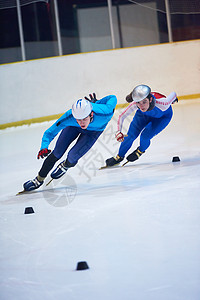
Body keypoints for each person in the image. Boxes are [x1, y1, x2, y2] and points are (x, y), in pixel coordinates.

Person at [23, 93, 117, 191]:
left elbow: (112, 97)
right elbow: (50, 132)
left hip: (93, 132)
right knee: (57, 153)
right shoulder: (70, 116)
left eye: (84, 119)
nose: (82, 123)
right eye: (78, 120)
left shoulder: (105, 113)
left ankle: (66, 165)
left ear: (91, 114)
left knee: (72, 156)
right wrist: (44, 147)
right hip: (73, 127)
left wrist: (97, 103)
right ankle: (38, 180)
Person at [105, 84, 178, 167]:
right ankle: (119, 157)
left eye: (144, 102)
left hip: (161, 118)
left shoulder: (163, 103)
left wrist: (173, 99)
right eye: (138, 103)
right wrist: (119, 131)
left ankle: (140, 151)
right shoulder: (135, 105)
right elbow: (122, 116)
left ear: (150, 99)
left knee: (145, 137)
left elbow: (173, 93)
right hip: (143, 116)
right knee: (130, 136)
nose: (141, 105)